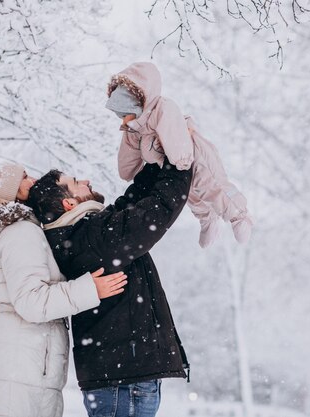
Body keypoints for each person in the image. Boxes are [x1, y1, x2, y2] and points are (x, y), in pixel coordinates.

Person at [26, 159, 192, 417]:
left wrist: (159, 160)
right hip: (125, 379)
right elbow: (157, 210)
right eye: (75, 183)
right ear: (69, 204)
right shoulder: (92, 238)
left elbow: (132, 203)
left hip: (120, 377)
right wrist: (181, 161)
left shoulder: (82, 236)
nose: (86, 181)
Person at [0, 162, 128, 417]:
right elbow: (32, 301)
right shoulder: (20, 232)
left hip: (16, 352)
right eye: (25, 177)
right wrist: (88, 289)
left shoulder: (12, 231)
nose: (34, 179)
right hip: (20, 357)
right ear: (11, 191)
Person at [105, 61, 253, 248]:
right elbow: (128, 156)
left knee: (212, 186)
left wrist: (181, 159)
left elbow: (173, 130)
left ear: (139, 103)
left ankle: (239, 215)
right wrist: (128, 170)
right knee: (189, 194)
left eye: (126, 113)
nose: (124, 119)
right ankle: (207, 218)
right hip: (174, 166)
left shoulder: (163, 108)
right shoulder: (134, 129)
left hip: (194, 154)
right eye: (121, 115)